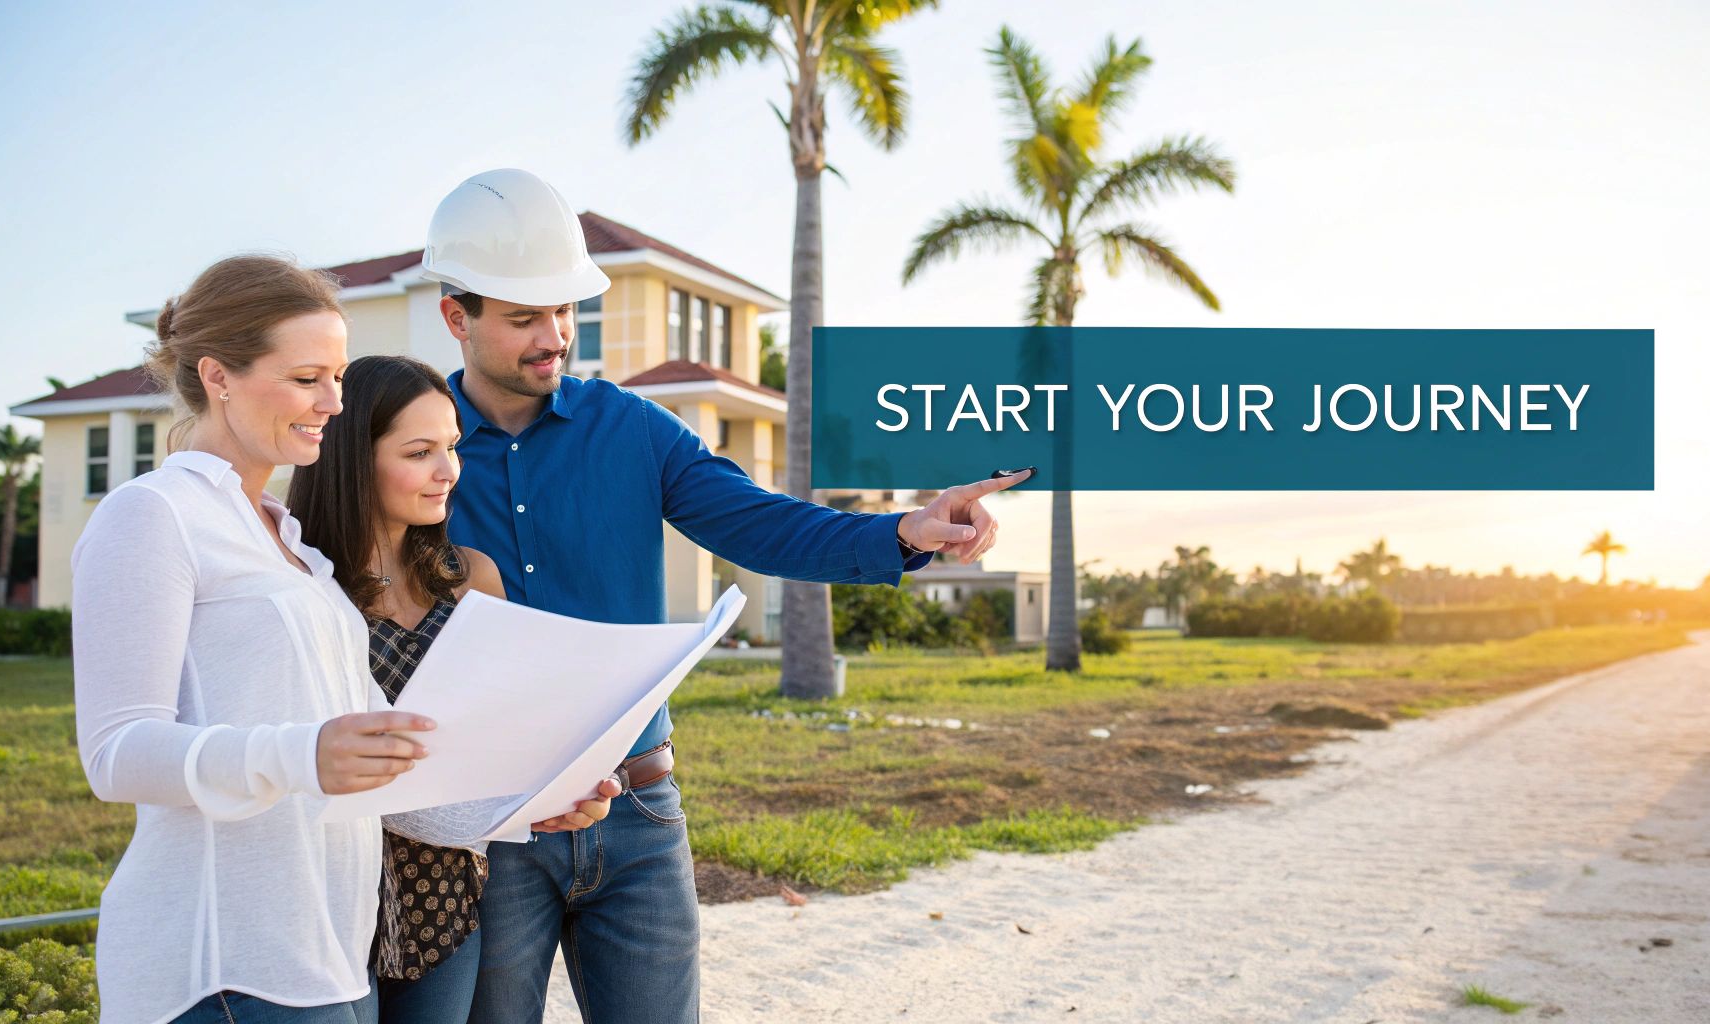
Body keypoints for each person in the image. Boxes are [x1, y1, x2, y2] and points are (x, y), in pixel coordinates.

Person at [417, 168, 1028, 1024]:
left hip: (636, 814)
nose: (554, 336)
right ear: (458, 318)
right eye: (524, 318)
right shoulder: (412, 448)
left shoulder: (633, 430)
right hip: (492, 828)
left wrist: (901, 534)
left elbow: (760, 525)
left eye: (564, 311)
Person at [71, 255, 436, 1023]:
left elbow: (376, 756)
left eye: (337, 377)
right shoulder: (152, 516)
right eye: (307, 378)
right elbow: (117, 752)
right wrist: (303, 754)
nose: (333, 403)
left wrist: (537, 801)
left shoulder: (293, 544)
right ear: (217, 376)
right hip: (227, 968)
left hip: (333, 956)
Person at [288, 355, 622, 1024]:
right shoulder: (299, 586)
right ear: (353, 456)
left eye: (451, 448)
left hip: (443, 898)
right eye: (420, 452)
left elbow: (510, 735)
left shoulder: (472, 577)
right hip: (323, 895)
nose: (449, 472)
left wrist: (563, 793)